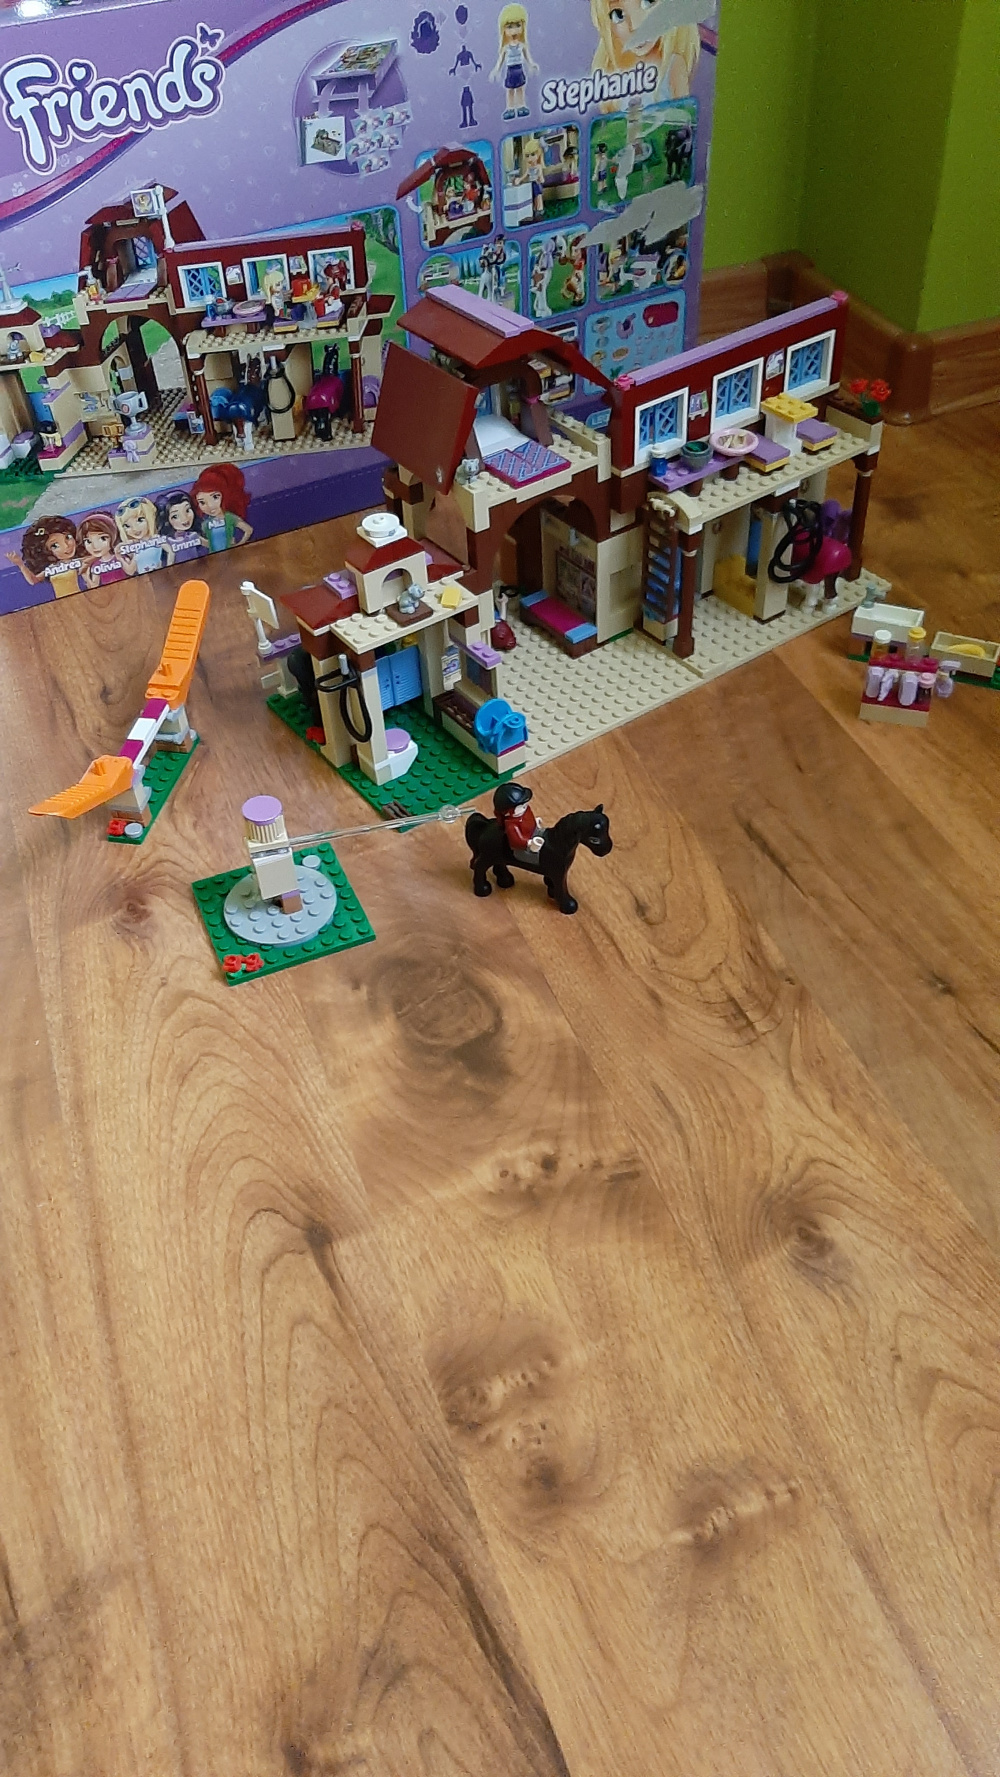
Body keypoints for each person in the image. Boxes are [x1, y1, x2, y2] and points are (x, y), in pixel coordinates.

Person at [589, 0, 699, 105]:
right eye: (617, 15)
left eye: (648, 2)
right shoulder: (614, 73)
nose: (635, 26)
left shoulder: (673, 65)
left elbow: (684, 114)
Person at [7, 515, 83, 598]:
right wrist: (21, 565)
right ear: (45, 551)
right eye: (55, 545)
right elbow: (33, 581)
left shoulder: (79, 561)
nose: (66, 546)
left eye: (68, 537)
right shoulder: (50, 568)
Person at [489, 2, 538, 119]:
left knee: (520, 89)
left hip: (519, 69)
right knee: (510, 90)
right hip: (510, 70)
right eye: (509, 27)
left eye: (518, 25)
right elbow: (500, 60)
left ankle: (521, 106)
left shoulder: (522, 45)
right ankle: (510, 108)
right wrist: (496, 70)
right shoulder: (506, 48)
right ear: (503, 29)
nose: (514, 30)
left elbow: (527, 57)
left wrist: (531, 64)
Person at [191, 463, 253, 551]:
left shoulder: (229, 518)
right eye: (202, 502)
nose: (210, 506)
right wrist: (199, 540)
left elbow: (248, 530)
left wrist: (239, 545)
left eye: (215, 497)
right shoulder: (205, 524)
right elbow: (210, 544)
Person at [76, 512, 136, 588]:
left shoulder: (120, 557)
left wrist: (123, 557)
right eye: (88, 541)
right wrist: (85, 576)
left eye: (103, 538)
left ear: (113, 537)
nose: (95, 546)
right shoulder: (96, 565)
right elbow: (94, 586)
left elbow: (131, 572)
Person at [116, 496, 172, 572]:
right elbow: (131, 571)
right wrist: (120, 558)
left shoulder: (156, 539)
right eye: (127, 526)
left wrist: (169, 569)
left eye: (140, 520)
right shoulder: (133, 547)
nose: (135, 528)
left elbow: (170, 552)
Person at [156, 489, 208, 566]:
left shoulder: (194, 535)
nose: (184, 518)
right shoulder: (166, 541)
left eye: (187, 510)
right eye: (175, 516)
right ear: (166, 520)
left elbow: (211, 547)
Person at [494, 782, 543, 852]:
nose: (524, 807)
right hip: (524, 847)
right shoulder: (512, 825)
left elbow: (529, 821)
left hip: (534, 832)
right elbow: (517, 841)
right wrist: (529, 843)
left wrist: (535, 821)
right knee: (532, 855)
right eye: (521, 806)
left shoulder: (526, 810)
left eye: (524, 804)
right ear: (508, 811)